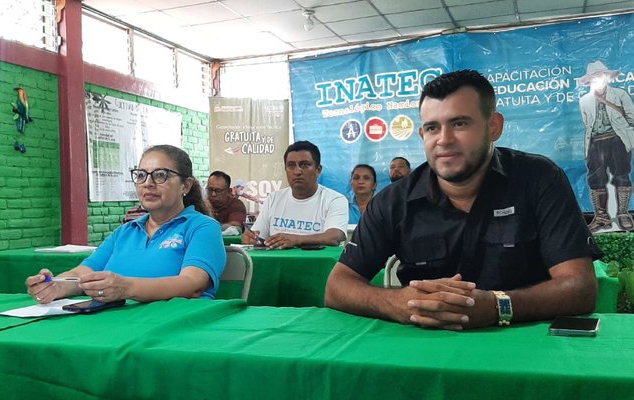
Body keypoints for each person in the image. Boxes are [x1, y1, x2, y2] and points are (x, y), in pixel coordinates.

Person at [325, 70, 599, 331]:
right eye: (432, 128)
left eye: (459, 123)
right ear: (422, 135)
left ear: (494, 127)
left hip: (526, 350)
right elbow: (337, 287)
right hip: (423, 351)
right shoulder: (393, 202)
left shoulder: (540, 180)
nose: (444, 140)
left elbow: (580, 287)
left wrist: (498, 306)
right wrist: (396, 301)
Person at [26, 145, 226, 303]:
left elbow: (192, 284)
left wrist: (125, 288)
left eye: (160, 175)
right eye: (141, 175)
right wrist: (56, 285)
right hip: (115, 324)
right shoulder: (125, 232)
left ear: (186, 185)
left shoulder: (202, 227)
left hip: (174, 325)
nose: (148, 183)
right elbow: (84, 273)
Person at [242, 140, 348, 249]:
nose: (297, 171)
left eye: (305, 165)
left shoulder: (335, 200)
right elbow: (259, 236)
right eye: (291, 165)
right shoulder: (273, 198)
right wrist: (251, 238)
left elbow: (334, 237)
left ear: (318, 170)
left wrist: (296, 239)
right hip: (278, 265)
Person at [579, 60, 634, 232]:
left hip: (617, 139)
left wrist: (629, 138)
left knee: (622, 175)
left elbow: (632, 118)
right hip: (595, 142)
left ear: (607, 77)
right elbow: (587, 124)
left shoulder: (620, 94)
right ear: (589, 80)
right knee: (595, 179)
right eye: (594, 77)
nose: (598, 79)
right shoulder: (585, 100)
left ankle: (623, 213)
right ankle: (602, 217)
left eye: (600, 76)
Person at [206, 171, 247, 235]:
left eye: (218, 191)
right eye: (210, 190)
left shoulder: (236, 205)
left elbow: (235, 227)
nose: (213, 194)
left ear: (228, 191)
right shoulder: (201, 204)